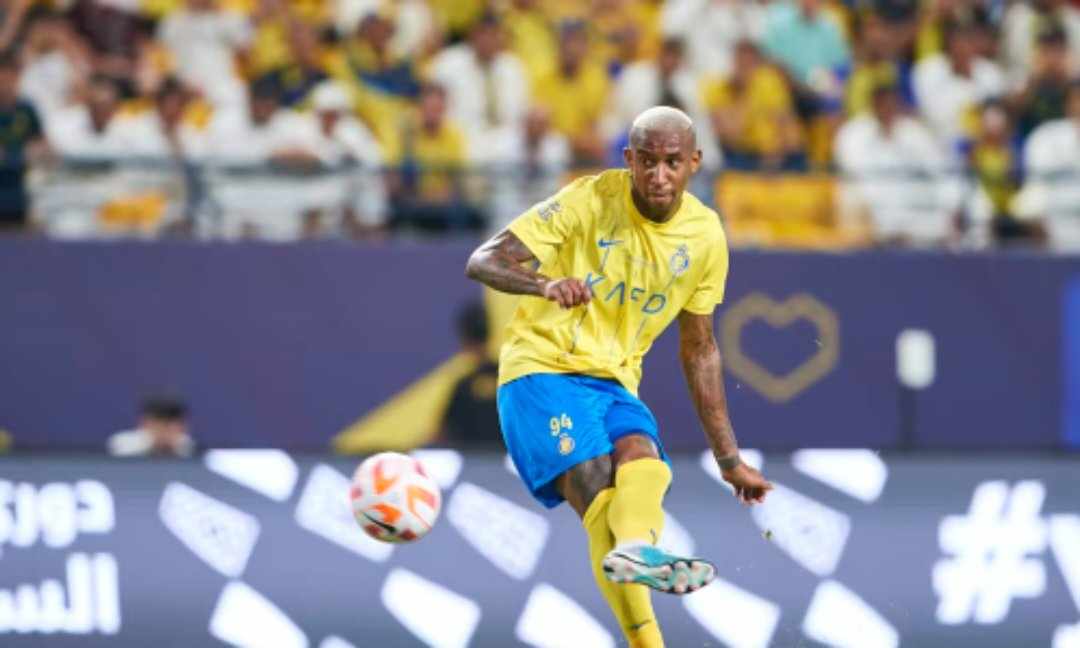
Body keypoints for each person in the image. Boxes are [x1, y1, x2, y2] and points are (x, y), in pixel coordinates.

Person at [465, 106, 772, 647]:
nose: (658, 175)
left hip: (613, 381)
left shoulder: (705, 236)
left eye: (672, 162)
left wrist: (729, 459)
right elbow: (483, 260)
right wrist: (544, 284)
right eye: (647, 161)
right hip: (543, 369)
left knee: (643, 458)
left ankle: (635, 551)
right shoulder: (587, 200)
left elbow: (700, 348)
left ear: (694, 163)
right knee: (596, 484)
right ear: (629, 159)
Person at [440, 300, 501, 449]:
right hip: (509, 459)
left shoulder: (463, 385)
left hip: (470, 460)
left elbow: (444, 431)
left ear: (465, 340)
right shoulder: (511, 378)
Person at [0, 50, 45, 231]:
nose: (5, 83)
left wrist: (29, 153)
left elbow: (43, 146)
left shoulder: (27, 109)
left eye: (9, 76)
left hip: (20, 184)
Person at [107, 396, 195, 458]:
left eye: (169, 425)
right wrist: (153, 444)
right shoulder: (124, 441)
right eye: (159, 423)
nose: (163, 430)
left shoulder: (188, 446)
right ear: (145, 423)